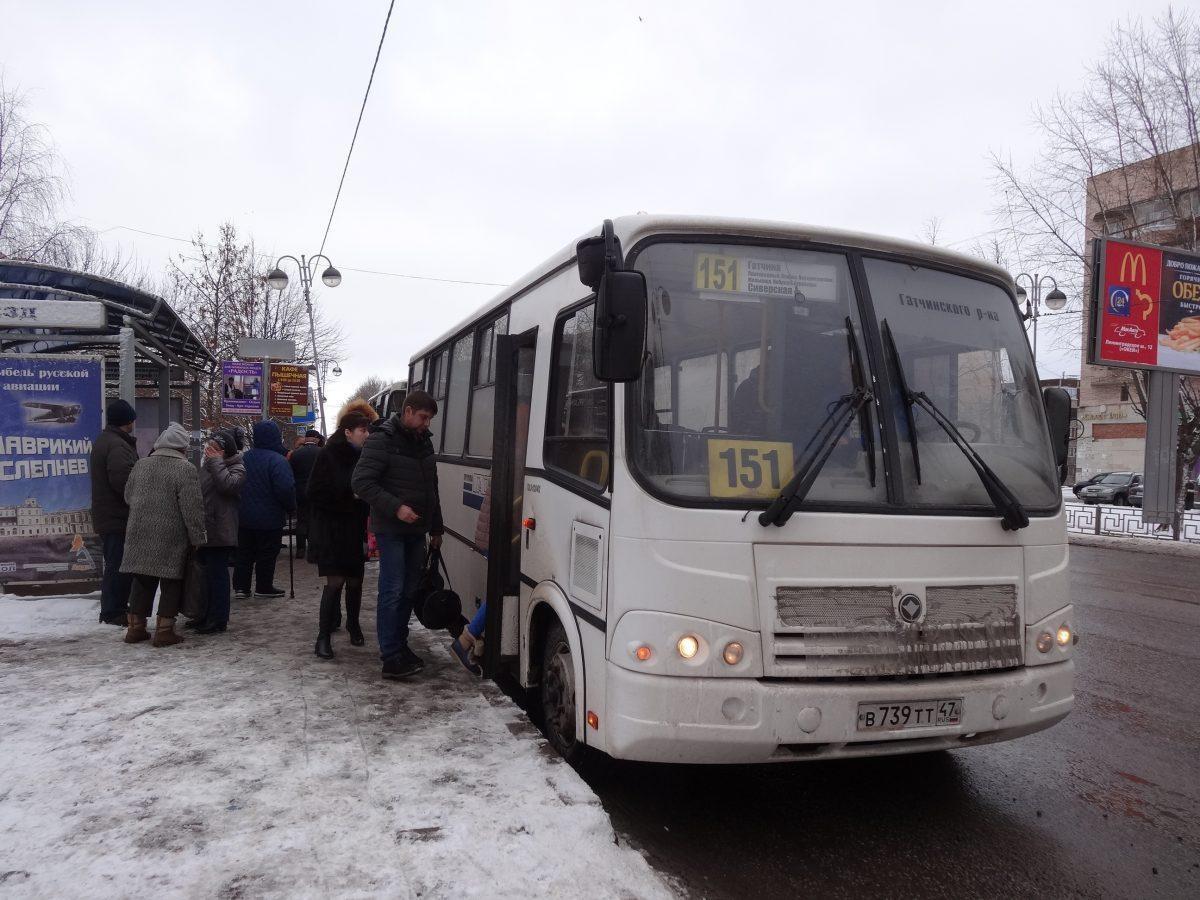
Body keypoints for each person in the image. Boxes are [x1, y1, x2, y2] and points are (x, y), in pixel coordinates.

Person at [352, 390, 444, 680]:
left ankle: (400, 646)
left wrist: (437, 528)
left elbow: (432, 490)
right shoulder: (382, 439)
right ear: (407, 412)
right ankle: (390, 655)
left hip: (417, 530)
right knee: (392, 590)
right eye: (423, 417)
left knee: (408, 590)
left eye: (429, 419)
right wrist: (397, 508)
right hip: (392, 529)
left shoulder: (424, 445)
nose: (426, 424)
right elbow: (361, 482)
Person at [119, 422, 207, 647]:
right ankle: (165, 630)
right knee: (171, 581)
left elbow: (128, 496)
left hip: (138, 531)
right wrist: (198, 538)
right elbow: (192, 508)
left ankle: (135, 628)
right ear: (182, 447)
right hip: (171, 535)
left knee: (142, 579)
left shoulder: (141, 465)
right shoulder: (185, 469)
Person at [308, 401, 377, 659]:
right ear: (348, 432)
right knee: (335, 582)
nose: (367, 435)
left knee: (356, 581)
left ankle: (353, 625)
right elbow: (313, 493)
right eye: (363, 431)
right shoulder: (327, 454)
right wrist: (350, 496)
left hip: (355, 529)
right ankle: (323, 637)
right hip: (331, 530)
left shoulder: (364, 455)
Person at [89, 399, 139, 626]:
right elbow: (123, 482)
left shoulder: (107, 441)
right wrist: (140, 498)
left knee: (116, 564)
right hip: (117, 517)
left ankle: (115, 607)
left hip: (109, 515)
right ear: (126, 421)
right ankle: (113, 611)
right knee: (119, 565)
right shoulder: (118, 445)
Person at [191, 429, 246, 634]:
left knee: (218, 577)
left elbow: (228, 486)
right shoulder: (209, 466)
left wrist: (215, 462)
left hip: (221, 530)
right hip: (206, 528)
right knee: (205, 577)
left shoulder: (238, 468)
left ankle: (218, 619)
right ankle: (204, 614)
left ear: (222, 451)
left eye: (212, 448)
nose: (207, 450)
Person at [232, 421, 295, 599]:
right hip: (270, 517)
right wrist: (291, 507)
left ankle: (241, 588)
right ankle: (263, 586)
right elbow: (285, 488)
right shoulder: (278, 460)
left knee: (244, 552)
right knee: (267, 553)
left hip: (243, 516)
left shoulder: (243, 458)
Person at [288, 429, 323, 557]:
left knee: (301, 520)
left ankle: (300, 549)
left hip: (300, 492)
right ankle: (314, 549)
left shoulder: (296, 454)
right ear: (314, 439)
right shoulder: (322, 452)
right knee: (315, 520)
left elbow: (290, 474)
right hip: (317, 493)